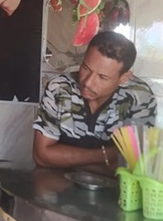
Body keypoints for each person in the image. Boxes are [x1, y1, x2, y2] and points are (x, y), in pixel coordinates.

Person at [32, 31, 156, 174]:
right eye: (86, 68)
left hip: (115, 188)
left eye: (102, 77)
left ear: (124, 78)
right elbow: (41, 156)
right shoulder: (60, 88)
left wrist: (66, 161)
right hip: (57, 184)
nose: (88, 83)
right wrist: (109, 155)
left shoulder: (138, 97)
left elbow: (136, 164)